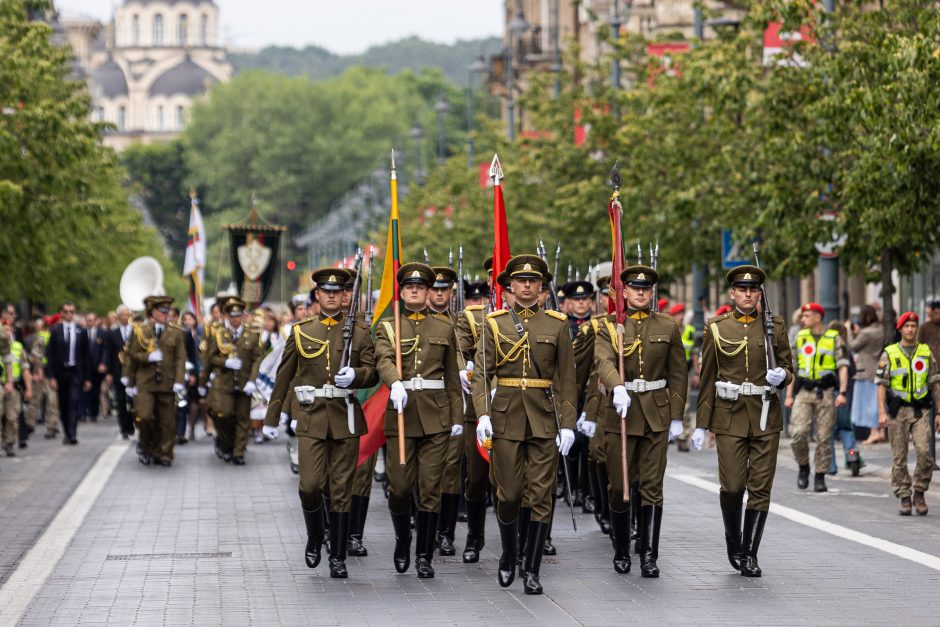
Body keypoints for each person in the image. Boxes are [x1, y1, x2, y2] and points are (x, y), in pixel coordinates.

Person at [472, 254, 576, 595]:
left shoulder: (557, 324)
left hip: (545, 418)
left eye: (533, 281)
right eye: (521, 281)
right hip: (505, 416)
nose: (527, 285)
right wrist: (483, 414)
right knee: (509, 494)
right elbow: (482, 375)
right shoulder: (494, 323)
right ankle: (509, 554)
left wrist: (568, 423)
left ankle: (532, 570)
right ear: (510, 287)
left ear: (541, 288)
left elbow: (565, 379)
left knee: (541, 495)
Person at [263, 268, 377, 578]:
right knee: (310, 486)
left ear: (344, 296)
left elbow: (373, 371)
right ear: (318, 295)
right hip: (311, 417)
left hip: (345, 418)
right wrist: (272, 417)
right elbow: (283, 377)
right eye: (325, 291)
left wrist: (357, 375)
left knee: (341, 489)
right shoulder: (301, 332)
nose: (331, 296)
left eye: (337, 292)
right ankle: (315, 536)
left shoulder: (361, 332)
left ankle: (337, 556)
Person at [697, 265, 793, 577]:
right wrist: (701, 423)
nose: (748, 294)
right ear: (733, 293)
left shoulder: (775, 327)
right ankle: (733, 539)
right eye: (743, 289)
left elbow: (788, 367)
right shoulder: (717, 327)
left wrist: (783, 377)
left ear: (759, 293)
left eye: (753, 290)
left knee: (761, 487)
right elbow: (708, 377)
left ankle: (750, 554)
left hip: (766, 414)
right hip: (730, 414)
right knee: (734, 485)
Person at [593, 265, 688, 578]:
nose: (641, 292)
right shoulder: (609, 325)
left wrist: (676, 416)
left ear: (652, 292)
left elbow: (677, 374)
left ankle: (648, 555)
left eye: (646, 288)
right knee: (620, 486)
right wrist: (617, 384)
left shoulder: (668, 325)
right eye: (634, 287)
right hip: (621, 412)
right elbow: (603, 360)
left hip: (655, 415)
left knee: (652, 486)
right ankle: (621, 549)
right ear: (624, 291)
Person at [374, 262, 462, 579]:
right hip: (402, 414)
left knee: (431, 489)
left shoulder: (443, 328)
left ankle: (425, 555)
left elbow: (452, 378)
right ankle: (403, 541)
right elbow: (383, 358)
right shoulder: (388, 327)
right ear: (401, 291)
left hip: (437, 418)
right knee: (398, 488)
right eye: (409, 286)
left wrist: (455, 416)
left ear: (427, 292)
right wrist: (395, 382)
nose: (414, 290)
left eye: (420, 287)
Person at [876, 311, 940, 516]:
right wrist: (881, 412)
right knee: (899, 456)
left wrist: (939, 412)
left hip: (921, 410)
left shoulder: (925, 351)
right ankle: (904, 495)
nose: (911, 329)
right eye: (907, 326)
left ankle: (919, 492)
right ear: (900, 329)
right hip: (898, 411)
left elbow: (935, 383)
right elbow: (881, 385)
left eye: (914, 326)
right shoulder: (890, 353)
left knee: (924, 453)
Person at [784, 302, 850, 493]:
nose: (803, 319)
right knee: (798, 434)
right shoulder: (799, 338)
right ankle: (804, 467)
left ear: (818, 317)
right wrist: (789, 395)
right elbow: (792, 369)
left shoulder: (834, 338)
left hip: (826, 392)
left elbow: (843, 366)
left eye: (807, 316)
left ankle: (820, 475)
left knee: (823, 437)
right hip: (804, 391)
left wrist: (843, 393)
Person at [124, 296, 187, 466]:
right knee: (144, 417)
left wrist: (180, 380)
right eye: (163, 311)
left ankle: (165, 454)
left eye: (168, 311)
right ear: (153, 312)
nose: (167, 314)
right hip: (145, 382)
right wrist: (146, 359)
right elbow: (132, 355)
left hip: (167, 382)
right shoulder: (140, 330)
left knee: (167, 421)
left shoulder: (176, 331)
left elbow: (181, 358)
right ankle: (147, 446)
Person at [426, 266, 463, 557]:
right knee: (424, 473)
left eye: (444, 290)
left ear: (451, 292)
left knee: (450, 469)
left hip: (453, 405)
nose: (439, 294)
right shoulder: (416, 324)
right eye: (435, 289)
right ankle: (425, 522)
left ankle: (446, 532)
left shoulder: (463, 323)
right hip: (423, 407)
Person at [201, 297, 262, 465]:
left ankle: (239, 452)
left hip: (244, 383)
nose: (236, 318)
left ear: (243, 316)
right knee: (223, 415)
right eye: (232, 315)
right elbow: (210, 357)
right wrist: (224, 362)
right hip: (224, 383)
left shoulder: (251, 334)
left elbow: (257, 359)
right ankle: (226, 442)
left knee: (243, 418)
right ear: (226, 316)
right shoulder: (218, 333)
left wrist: (252, 380)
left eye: (239, 315)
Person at [455, 278, 490, 563]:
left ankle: (514, 543)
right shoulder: (469, 319)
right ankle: (474, 537)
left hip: (511, 408)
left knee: (509, 483)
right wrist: (466, 366)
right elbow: (460, 348)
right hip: (476, 411)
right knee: (476, 478)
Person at [45, 302, 92, 445]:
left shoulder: (81, 331)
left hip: (75, 372)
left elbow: (86, 356)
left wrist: (88, 378)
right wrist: (51, 376)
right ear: (62, 313)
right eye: (66, 311)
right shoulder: (55, 330)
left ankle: (72, 433)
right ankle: (67, 431)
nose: (69, 314)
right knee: (64, 404)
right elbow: (50, 355)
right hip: (60, 372)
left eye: (71, 311)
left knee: (74, 402)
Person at [827, 320, 861, 475]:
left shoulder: (827, 348)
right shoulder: (846, 349)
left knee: (828, 431)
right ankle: (853, 457)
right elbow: (852, 372)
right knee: (845, 427)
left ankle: (831, 466)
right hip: (844, 394)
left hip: (829, 393)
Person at [851, 305, 886, 444]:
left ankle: (874, 432)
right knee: (877, 401)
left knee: (869, 403)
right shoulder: (881, 329)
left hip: (865, 370)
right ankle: (881, 431)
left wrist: (850, 331)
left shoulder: (866, 333)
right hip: (877, 367)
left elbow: (853, 346)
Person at [669, 303, 698, 452]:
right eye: (677, 314)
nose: (680, 317)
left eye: (682, 314)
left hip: (684, 373)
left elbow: (694, 352)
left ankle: (683, 437)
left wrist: (696, 374)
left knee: (684, 405)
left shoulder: (690, 331)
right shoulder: (667, 329)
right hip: (666, 373)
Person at [104, 306, 135, 439]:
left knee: (133, 401)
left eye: (126, 314)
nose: (124, 317)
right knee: (121, 402)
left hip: (133, 373)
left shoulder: (136, 331)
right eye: (121, 315)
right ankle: (124, 428)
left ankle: (132, 424)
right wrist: (109, 373)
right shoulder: (112, 333)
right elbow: (108, 354)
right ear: (118, 317)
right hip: (118, 372)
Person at [25, 317, 58, 440]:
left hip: (49, 372)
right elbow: (36, 356)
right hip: (43, 372)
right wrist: (39, 371)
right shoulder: (43, 337)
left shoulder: (50, 336)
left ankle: (50, 426)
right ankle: (30, 424)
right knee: (43, 400)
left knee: (50, 400)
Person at [1, 333, 31, 456]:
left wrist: (29, 389)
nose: (6, 333)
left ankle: (10, 443)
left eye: (8, 330)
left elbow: (25, 370)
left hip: (14, 387)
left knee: (12, 418)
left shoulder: (18, 347)